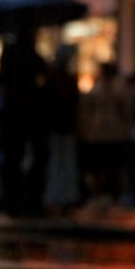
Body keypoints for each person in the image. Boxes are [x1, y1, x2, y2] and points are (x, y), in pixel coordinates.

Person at [0, 27, 50, 218]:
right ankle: (27, 202)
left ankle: (16, 202)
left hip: (16, 113)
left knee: (14, 158)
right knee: (31, 157)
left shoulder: (11, 56)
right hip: (29, 113)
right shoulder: (28, 58)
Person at [78, 60, 135, 205]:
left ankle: (109, 193)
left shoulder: (114, 87)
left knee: (110, 166)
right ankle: (104, 193)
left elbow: (128, 110)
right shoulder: (109, 87)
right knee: (104, 166)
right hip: (105, 133)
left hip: (109, 133)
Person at [45, 44, 82, 211]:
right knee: (61, 161)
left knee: (62, 161)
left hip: (61, 125)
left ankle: (63, 196)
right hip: (60, 126)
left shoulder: (60, 78)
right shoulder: (59, 78)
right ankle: (60, 197)